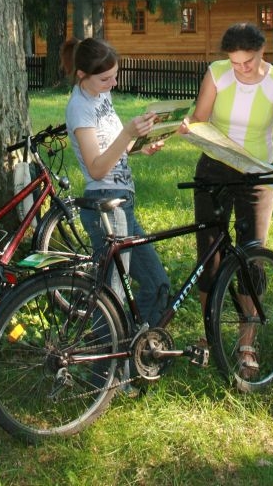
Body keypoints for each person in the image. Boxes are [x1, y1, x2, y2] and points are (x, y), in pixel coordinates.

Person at [183, 22, 273, 375]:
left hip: (257, 174)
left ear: (261, 53)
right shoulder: (217, 73)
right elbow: (199, 119)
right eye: (234, 62)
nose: (240, 68)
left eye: (247, 62)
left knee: (252, 253)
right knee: (210, 254)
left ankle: (247, 342)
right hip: (214, 169)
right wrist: (177, 129)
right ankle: (209, 334)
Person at [61, 37, 170, 333]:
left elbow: (112, 146)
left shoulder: (100, 96)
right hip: (105, 204)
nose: (113, 82)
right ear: (82, 75)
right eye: (105, 78)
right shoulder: (79, 108)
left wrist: (140, 145)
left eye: (115, 75)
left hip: (122, 202)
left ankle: (135, 354)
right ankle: (107, 375)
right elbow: (96, 168)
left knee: (157, 283)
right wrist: (127, 134)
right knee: (112, 298)